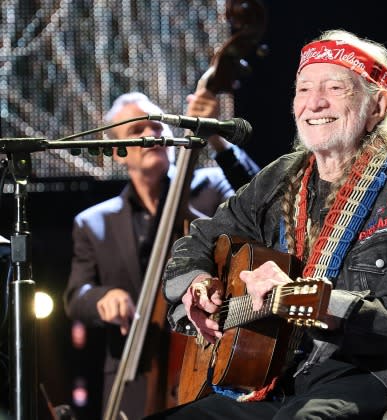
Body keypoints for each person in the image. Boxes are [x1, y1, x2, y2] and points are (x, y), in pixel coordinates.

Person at [153, 29, 387, 420]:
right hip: (289, 377)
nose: (314, 103)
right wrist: (197, 284)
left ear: (377, 106)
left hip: (384, 375)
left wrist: (310, 301)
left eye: (335, 88)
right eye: (303, 89)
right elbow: (200, 239)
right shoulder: (279, 179)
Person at [63, 89, 259, 419]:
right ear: (118, 152)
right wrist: (101, 298)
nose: (151, 134)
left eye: (157, 125)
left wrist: (215, 138)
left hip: (211, 355)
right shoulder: (93, 222)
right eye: (137, 131)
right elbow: (75, 296)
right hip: (136, 371)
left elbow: (262, 200)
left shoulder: (213, 187)